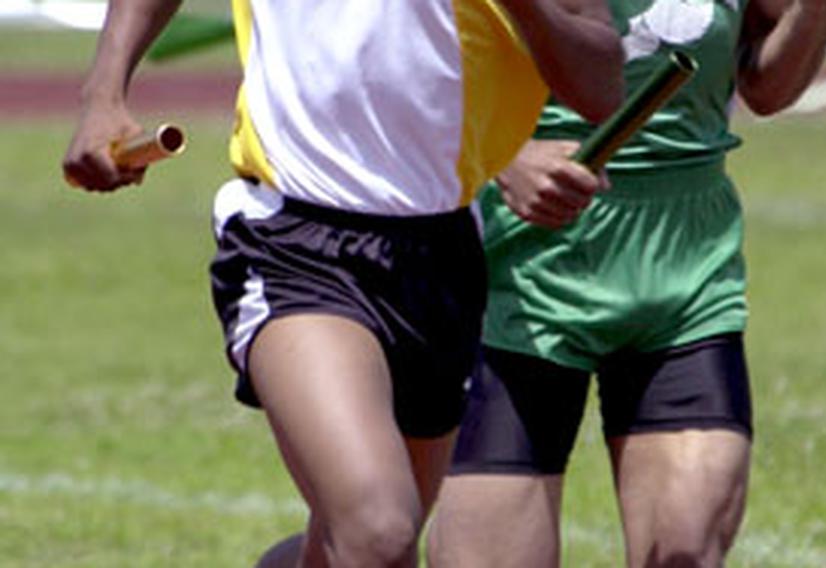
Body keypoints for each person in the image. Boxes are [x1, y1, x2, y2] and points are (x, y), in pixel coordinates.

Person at [61, 1, 625, 566]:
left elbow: (601, 86)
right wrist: (103, 96)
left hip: (441, 256)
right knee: (378, 532)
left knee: (347, 548)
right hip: (295, 238)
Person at [428, 0, 826, 566]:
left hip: (684, 276)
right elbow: (389, 68)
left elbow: (766, 87)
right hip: (512, 281)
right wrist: (504, 156)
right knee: (381, 543)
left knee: (685, 550)